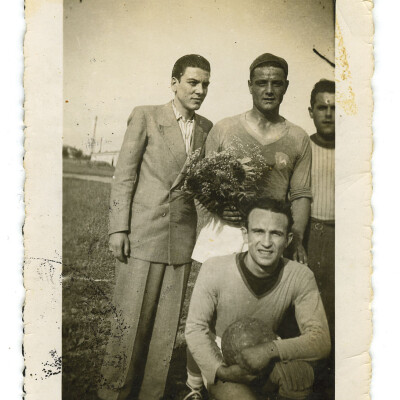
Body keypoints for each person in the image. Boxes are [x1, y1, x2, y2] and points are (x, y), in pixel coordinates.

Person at [185, 53, 312, 399]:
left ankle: (250, 380)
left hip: (269, 239)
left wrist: (295, 236)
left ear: (286, 87)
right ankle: (195, 387)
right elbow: (200, 183)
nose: (269, 89)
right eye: (261, 82)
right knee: (206, 319)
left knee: (261, 316)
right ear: (250, 86)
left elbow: (300, 194)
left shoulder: (298, 138)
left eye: (276, 83)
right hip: (226, 235)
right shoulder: (225, 128)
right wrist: (214, 214)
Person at [97, 54, 213, 400]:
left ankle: (150, 394)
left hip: (180, 242)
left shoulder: (207, 128)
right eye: (193, 82)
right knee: (129, 321)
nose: (200, 90)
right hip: (143, 236)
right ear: (174, 82)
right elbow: (125, 175)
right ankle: (113, 391)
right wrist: (118, 228)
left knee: (164, 330)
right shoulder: (147, 116)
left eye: (205, 84)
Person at [185, 197, 330, 400]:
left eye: (276, 234)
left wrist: (268, 351)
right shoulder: (215, 268)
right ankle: (195, 390)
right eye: (259, 231)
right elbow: (194, 328)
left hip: (266, 355)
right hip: (225, 361)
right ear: (245, 234)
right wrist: (221, 371)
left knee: (300, 377)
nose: (266, 243)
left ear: (288, 240)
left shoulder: (300, 275)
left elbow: (321, 340)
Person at [305, 79, 335, 398]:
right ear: (311, 111)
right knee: (311, 309)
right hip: (311, 234)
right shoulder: (303, 145)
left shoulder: (356, 146)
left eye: (335, 108)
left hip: (344, 237)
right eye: (322, 107)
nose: (328, 114)